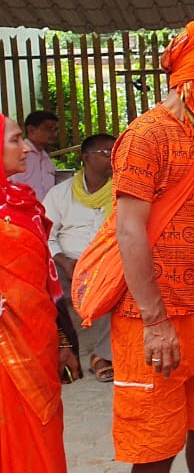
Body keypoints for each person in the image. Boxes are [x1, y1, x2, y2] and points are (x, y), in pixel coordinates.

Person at [90, 20, 194, 473]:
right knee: (154, 444)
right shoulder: (145, 136)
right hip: (148, 318)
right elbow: (130, 231)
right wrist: (156, 321)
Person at [1, 113, 79, 473]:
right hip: (7, 351)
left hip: (38, 341)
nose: (25, 149)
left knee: (43, 433)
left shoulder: (23, 203)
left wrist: (63, 340)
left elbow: (45, 286)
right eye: (16, 140)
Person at [45, 133, 116, 382]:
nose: (112, 157)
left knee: (125, 288)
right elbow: (46, 235)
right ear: (85, 158)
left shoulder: (123, 189)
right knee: (45, 295)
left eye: (115, 151)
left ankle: (101, 356)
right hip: (66, 263)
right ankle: (62, 356)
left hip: (109, 262)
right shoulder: (60, 194)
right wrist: (64, 262)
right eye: (105, 153)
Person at [11, 110, 59, 199]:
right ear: (31, 130)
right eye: (49, 129)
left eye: (55, 130)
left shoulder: (46, 159)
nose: (54, 135)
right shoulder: (19, 155)